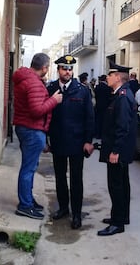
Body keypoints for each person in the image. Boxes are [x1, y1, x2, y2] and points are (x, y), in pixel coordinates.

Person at [12, 52, 63, 219]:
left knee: (29, 167)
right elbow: (36, 110)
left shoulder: (27, 79)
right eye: (48, 67)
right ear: (44, 67)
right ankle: (25, 205)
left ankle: (27, 200)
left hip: (26, 127)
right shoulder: (33, 83)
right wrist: (54, 100)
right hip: (31, 129)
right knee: (28, 168)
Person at [47, 55, 95, 229]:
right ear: (58, 70)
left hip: (77, 142)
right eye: (64, 68)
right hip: (58, 141)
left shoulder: (82, 90)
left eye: (69, 69)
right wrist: (46, 139)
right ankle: (63, 208)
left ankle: (76, 214)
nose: (67, 72)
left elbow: (89, 118)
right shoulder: (51, 88)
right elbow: (46, 116)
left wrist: (88, 141)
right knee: (60, 178)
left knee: (76, 180)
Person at [97, 61, 138, 236]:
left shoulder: (122, 97)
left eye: (110, 74)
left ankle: (117, 223)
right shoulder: (122, 94)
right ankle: (122, 216)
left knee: (116, 185)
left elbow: (122, 127)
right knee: (123, 184)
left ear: (117, 77)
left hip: (117, 151)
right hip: (121, 149)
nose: (107, 77)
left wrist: (115, 151)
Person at [94, 74, 112, 139]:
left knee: (98, 120)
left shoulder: (97, 87)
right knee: (104, 121)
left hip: (98, 106)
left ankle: (97, 134)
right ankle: (102, 134)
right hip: (105, 107)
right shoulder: (108, 88)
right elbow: (109, 97)